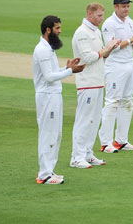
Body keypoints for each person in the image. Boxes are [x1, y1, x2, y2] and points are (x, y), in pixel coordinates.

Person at [34, 15, 85, 184]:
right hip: (47, 96)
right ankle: (44, 174)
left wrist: (67, 68)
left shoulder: (49, 49)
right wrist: (71, 72)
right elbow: (49, 77)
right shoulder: (42, 50)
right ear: (48, 30)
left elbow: (53, 72)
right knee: (48, 134)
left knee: (55, 134)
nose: (60, 31)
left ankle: (49, 170)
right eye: (57, 28)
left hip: (54, 95)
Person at [70, 3, 120, 169]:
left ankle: (87, 153)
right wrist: (105, 50)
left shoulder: (96, 31)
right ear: (89, 13)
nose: (101, 19)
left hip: (98, 81)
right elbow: (87, 57)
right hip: (87, 83)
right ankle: (77, 157)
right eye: (98, 15)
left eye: (102, 15)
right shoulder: (82, 33)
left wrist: (110, 49)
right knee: (84, 120)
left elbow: (101, 56)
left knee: (94, 120)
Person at [98, 0, 133, 153]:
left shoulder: (130, 21)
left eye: (128, 6)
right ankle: (105, 142)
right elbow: (112, 47)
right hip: (115, 66)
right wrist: (131, 40)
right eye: (123, 6)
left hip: (129, 64)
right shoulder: (109, 24)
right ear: (116, 7)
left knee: (127, 102)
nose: (126, 9)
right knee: (112, 102)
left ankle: (121, 141)